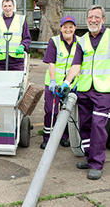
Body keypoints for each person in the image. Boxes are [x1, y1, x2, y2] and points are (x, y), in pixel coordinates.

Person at [60, 5, 110, 180]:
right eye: (90, 17)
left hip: (104, 90)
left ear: (103, 19)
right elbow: (76, 65)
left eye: (97, 17)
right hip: (84, 89)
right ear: (86, 20)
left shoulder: (109, 37)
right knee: (86, 125)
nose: (93, 20)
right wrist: (66, 82)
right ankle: (89, 158)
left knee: (98, 126)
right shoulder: (81, 41)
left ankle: (97, 164)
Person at [41, 16, 79, 149]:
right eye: (65, 27)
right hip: (54, 84)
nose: (68, 29)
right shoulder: (54, 41)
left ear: (75, 28)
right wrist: (52, 81)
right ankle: (47, 138)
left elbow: (79, 64)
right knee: (51, 111)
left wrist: (71, 82)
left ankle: (64, 137)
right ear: (61, 28)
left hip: (70, 85)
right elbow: (51, 63)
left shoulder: (80, 42)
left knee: (67, 111)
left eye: (71, 27)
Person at [0, 0, 31, 71]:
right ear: (2, 7)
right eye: (5, 6)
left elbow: (26, 38)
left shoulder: (21, 20)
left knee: (16, 81)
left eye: (9, 6)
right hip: (1, 58)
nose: (7, 8)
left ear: (13, 7)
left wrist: (22, 46)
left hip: (16, 58)